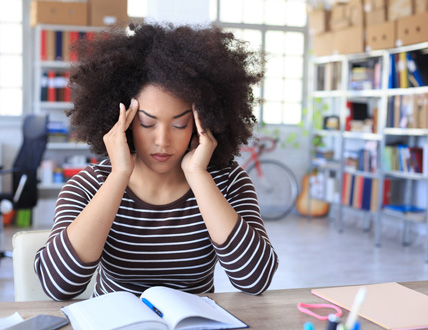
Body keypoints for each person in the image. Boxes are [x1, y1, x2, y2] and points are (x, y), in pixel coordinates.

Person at [34, 21, 279, 301]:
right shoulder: (88, 185)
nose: (162, 141)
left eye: (180, 124)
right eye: (147, 124)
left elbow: (256, 280)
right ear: (122, 122)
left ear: (204, 123)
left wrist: (198, 175)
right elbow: (58, 287)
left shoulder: (229, 181)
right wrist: (118, 175)